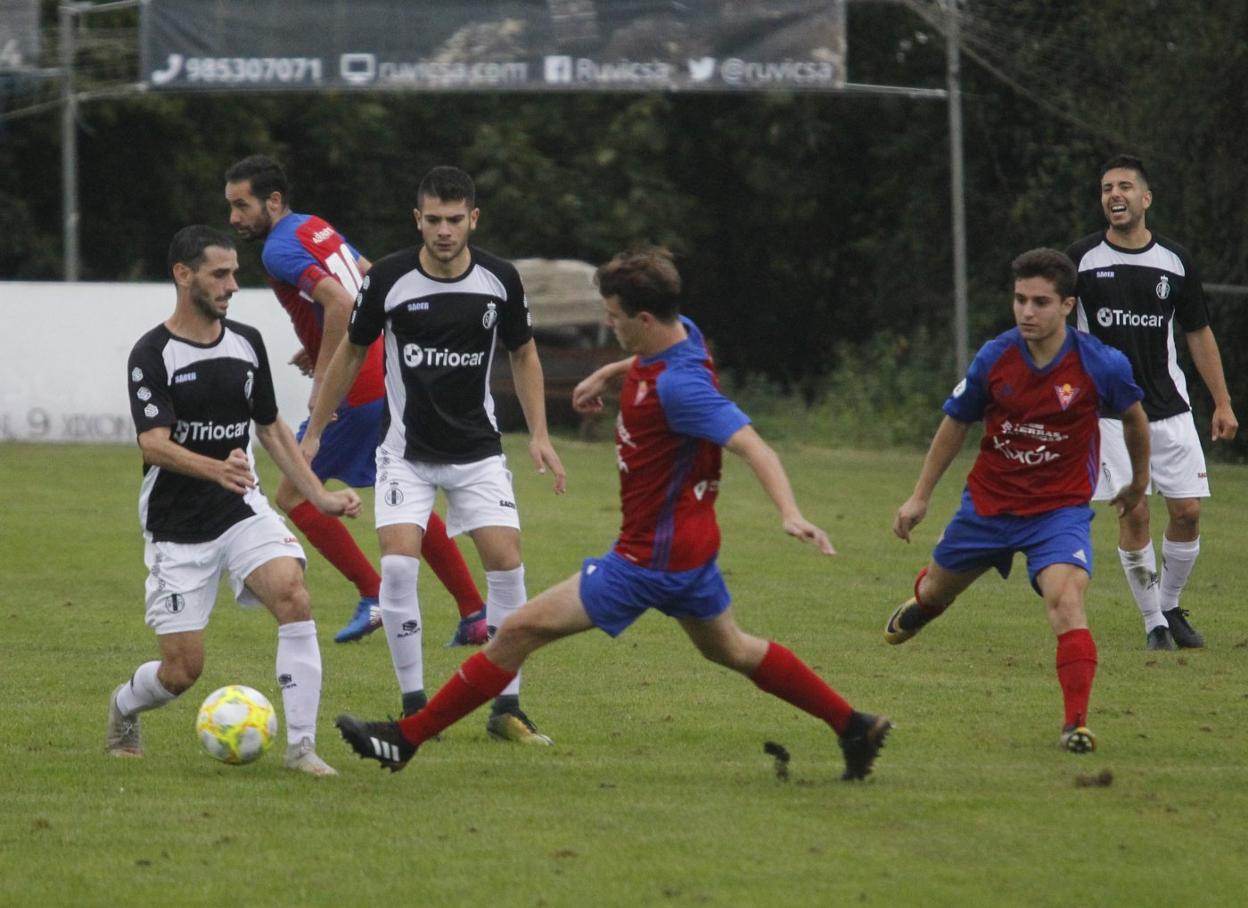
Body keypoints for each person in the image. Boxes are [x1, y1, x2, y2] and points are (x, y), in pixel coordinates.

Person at [332, 245, 892, 780]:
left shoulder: (682, 388)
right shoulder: (681, 338)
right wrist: (611, 372)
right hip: (692, 551)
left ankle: (405, 739)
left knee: (517, 629)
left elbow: (754, 446)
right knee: (733, 648)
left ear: (644, 318)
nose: (611, 325)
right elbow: (656, 356)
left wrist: (790, 512)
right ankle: (854, 725)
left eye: (616, 317)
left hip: (648, 559)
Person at [303, 165, 567, 742]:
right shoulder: (391, 279)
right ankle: (417, 704)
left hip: (477, 450)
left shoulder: (500, 280)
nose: (443, 231)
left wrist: (540, 434)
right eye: (433, 220)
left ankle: (507, 709)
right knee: (398, 564)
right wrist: (318, 427)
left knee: (507, 563)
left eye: (454, 220)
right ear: (417, 219)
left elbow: (523, 354)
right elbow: (351, 351)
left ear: (473, 218)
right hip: (405, 452)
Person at [105, 225, 362, 776]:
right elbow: (153, 443)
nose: (232, 285)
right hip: (176, 529)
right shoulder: (152, 353)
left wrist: (318, 496)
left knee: (293, 594)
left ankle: (301, 748)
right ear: (183, 275)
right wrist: (214, 467)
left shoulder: (246, 342)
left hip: (240, 511)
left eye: (234, 274)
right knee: (181, 671)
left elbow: (270, 429)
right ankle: (125, 706)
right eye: (220, 274)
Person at [885, 248, 1149, 754]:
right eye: (1020, 300)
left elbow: (1135, 418)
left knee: (1067, 603)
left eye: (1041, 302)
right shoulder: (996, 357)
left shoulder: (1100, 363)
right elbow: (956, 422)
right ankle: (923, 602)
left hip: (1059, 513)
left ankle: (1076, 724)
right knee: (939, 591)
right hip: (987, 507)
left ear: (1067, 305)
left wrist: (1138, 483)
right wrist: (920, 496)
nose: (1028, 311)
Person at [224, 155, 488, 647]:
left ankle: (373, 595)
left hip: (357, 386)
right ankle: (474, 612)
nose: (235, 218)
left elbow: (342, 303)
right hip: (383, 374)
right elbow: (369, 279)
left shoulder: (277, 250)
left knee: (294, 494)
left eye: (242, 206)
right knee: (403, 498)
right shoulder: (315, 227)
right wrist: (322, 337)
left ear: (273, 201)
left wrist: (327, 375)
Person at [1067, 154, 1239, 650]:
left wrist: (1222, 402)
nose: (1113, 195)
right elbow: (1055, 328)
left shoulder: (1175, 261)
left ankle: (1168, 604)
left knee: (1186, 511)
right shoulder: (1080, 259)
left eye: (1124, 186)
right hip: (1109, 415)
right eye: (1105, 188)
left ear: (1145, 198)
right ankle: (1153, 625)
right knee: (1134, 513)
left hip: (1170, 409)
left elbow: (1198, 333)